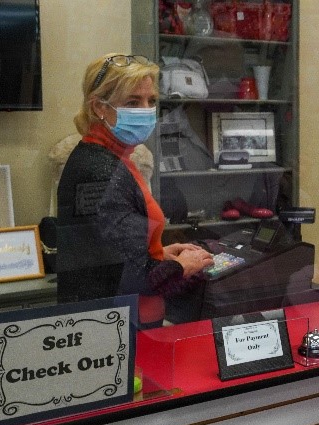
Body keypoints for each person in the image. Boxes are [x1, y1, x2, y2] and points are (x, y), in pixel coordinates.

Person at [57, 53, 213, 327]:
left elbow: (112, 251)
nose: (145, 110)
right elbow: (131, 276)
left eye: (151, 101)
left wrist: (159, 254)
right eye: (132, 102)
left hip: (125, 318)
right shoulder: (99, 170)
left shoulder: (115, 158)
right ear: (98, 108)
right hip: (114, 326)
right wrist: (181, 266)